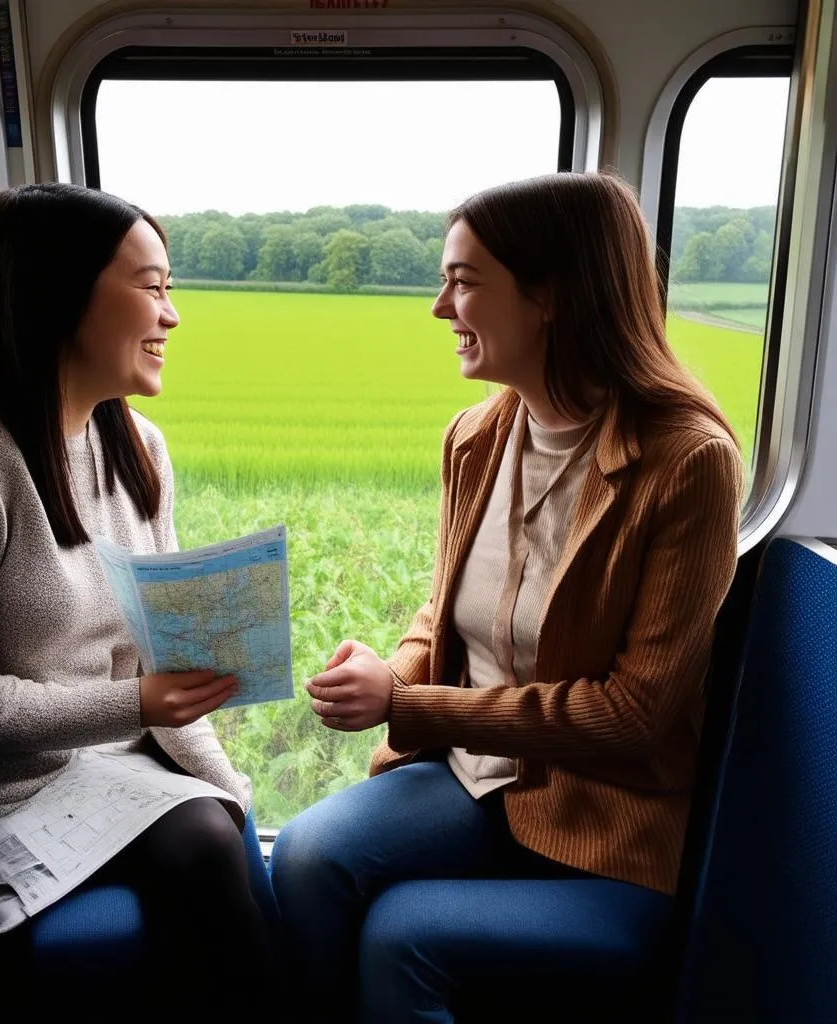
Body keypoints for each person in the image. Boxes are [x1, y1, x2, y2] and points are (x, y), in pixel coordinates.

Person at [269, 171, 744, 1022]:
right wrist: (396, 667)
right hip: (472, 780)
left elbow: (633, 714)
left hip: (608, 813)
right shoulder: (477, 436)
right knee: (304, 854)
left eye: (462, 281)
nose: (438, 308)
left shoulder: (687, 462)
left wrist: (412, 703)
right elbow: (441, 608)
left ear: (551, 295)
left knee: (402, 934)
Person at [0, 182, 275, 1019]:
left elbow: (162, 665)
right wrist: (134, 703)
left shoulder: (136, 443)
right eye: (152, 287)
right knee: (209, 846)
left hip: (115, 770)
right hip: (1, 797)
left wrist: (233, 790)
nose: (172, 316)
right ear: (63, 294)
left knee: (225, 827)